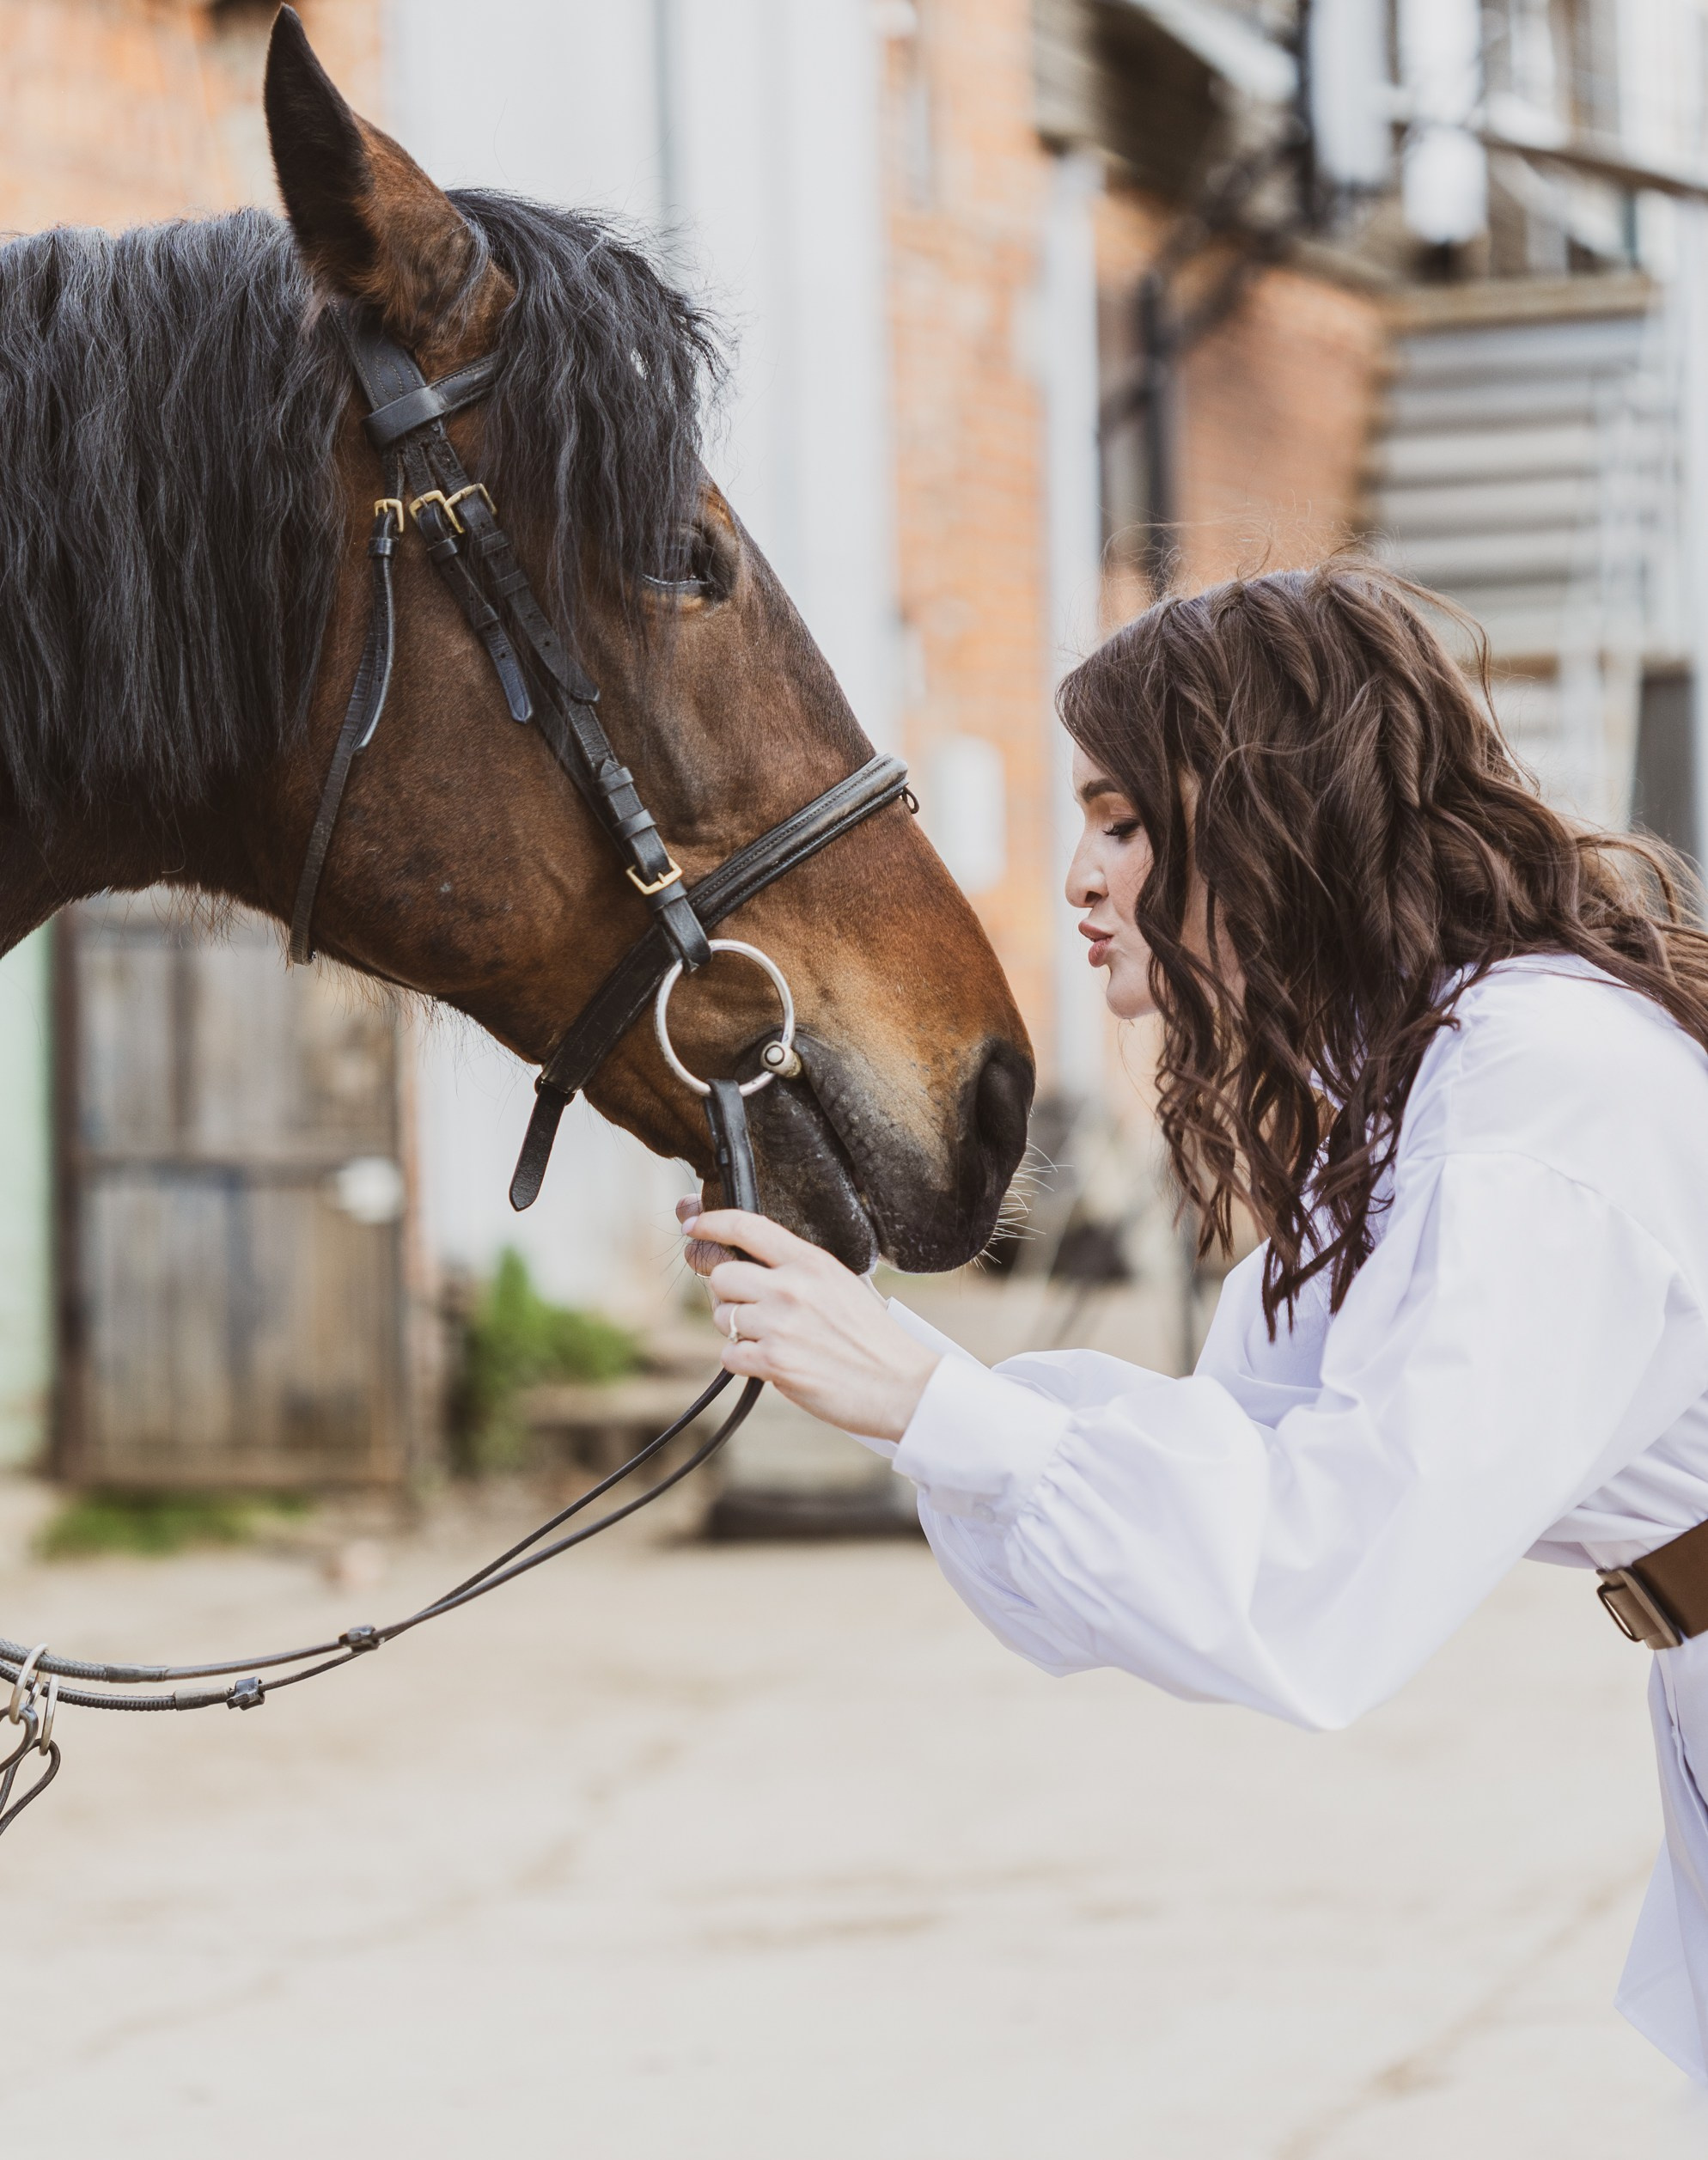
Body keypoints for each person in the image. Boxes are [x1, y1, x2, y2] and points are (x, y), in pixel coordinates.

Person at [679, 564, 1708, 2083]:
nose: (1081, 878)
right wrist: (909, 1380)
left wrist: (929, 1398)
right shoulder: (1417, 1079)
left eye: (1123, 819)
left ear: (1274, 812)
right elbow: (1242, 1449)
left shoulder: (1528, 1101)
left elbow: (1322, 1576)